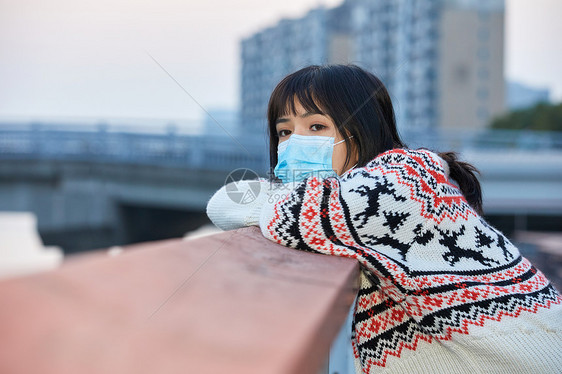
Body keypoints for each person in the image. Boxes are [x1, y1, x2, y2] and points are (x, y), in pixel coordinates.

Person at [206, 64, 562, 373]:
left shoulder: (406, 175)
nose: (295, 142)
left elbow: (289, 212)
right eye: (285, 131)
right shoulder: (355, 202)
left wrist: (281, 198)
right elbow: (222, 204)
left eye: (317, 127)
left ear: (363, 130)